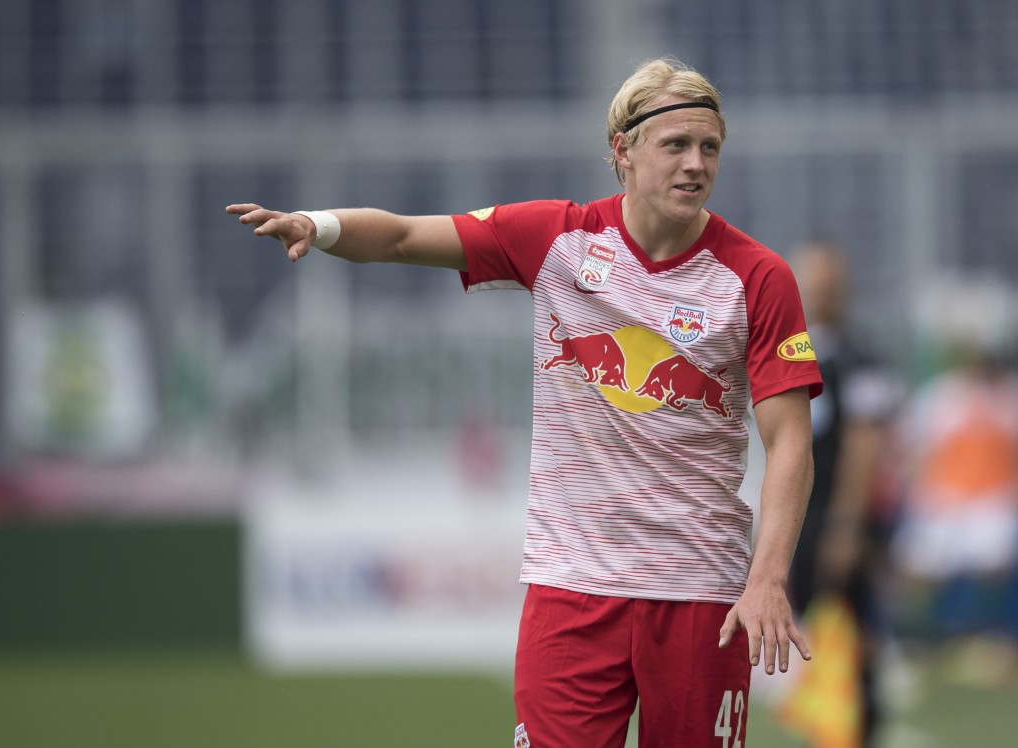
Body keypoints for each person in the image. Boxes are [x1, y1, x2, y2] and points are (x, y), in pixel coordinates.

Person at [227, 57, 823, 747]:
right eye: (676, 145)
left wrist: (767, 577)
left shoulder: (757, 277)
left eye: (709, 147)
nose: (696, 164)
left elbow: (790, 440)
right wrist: (318, 224)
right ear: (623, 151)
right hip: (570, 588)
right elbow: (402, 236)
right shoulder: (558, 239)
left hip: (699, 591)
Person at [787, 241, 902, 746]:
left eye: (826, 282)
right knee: (817, 619)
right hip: (806, 512)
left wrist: (847, 523)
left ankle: (857, 725)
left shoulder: (858, 356)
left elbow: (864, 442)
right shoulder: (796, 349)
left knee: (849, 621)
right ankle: (830, 725)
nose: (818, 292)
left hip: (837, 513)